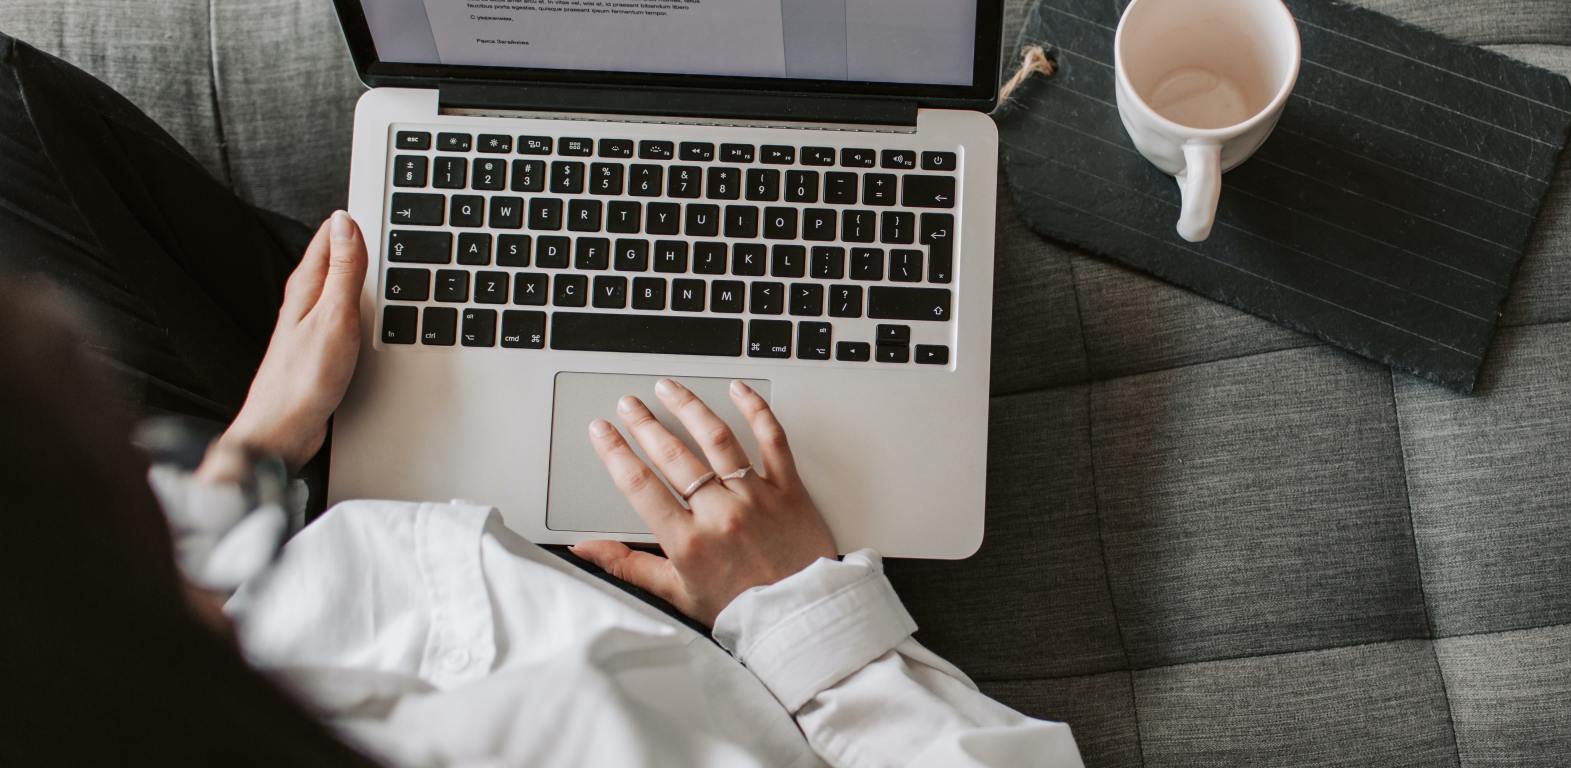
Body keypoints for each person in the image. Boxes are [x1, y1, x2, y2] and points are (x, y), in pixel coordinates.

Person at [0, 32, 1082, 767]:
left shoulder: (116, 659)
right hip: (698, 624)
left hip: (313, 525)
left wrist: (254, 449)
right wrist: (797, 603)